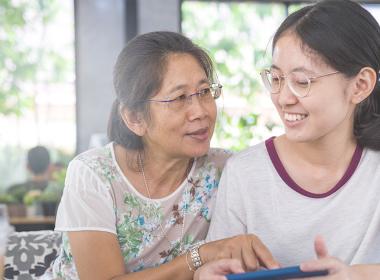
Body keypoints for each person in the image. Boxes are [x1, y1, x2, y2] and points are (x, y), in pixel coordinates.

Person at [51, 31, 279, 279]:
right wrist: (201, 256)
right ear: (135, 118)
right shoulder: (93, 174)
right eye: (180, 98)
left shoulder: (224, 169)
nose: (199, 111)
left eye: (204, 92)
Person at [206, 0, 380, 279]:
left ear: (360, 85)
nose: (283, 98)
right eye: (276, 78)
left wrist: (359, 275)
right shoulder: (244, 174)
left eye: (302, 82)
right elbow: (219, 266)